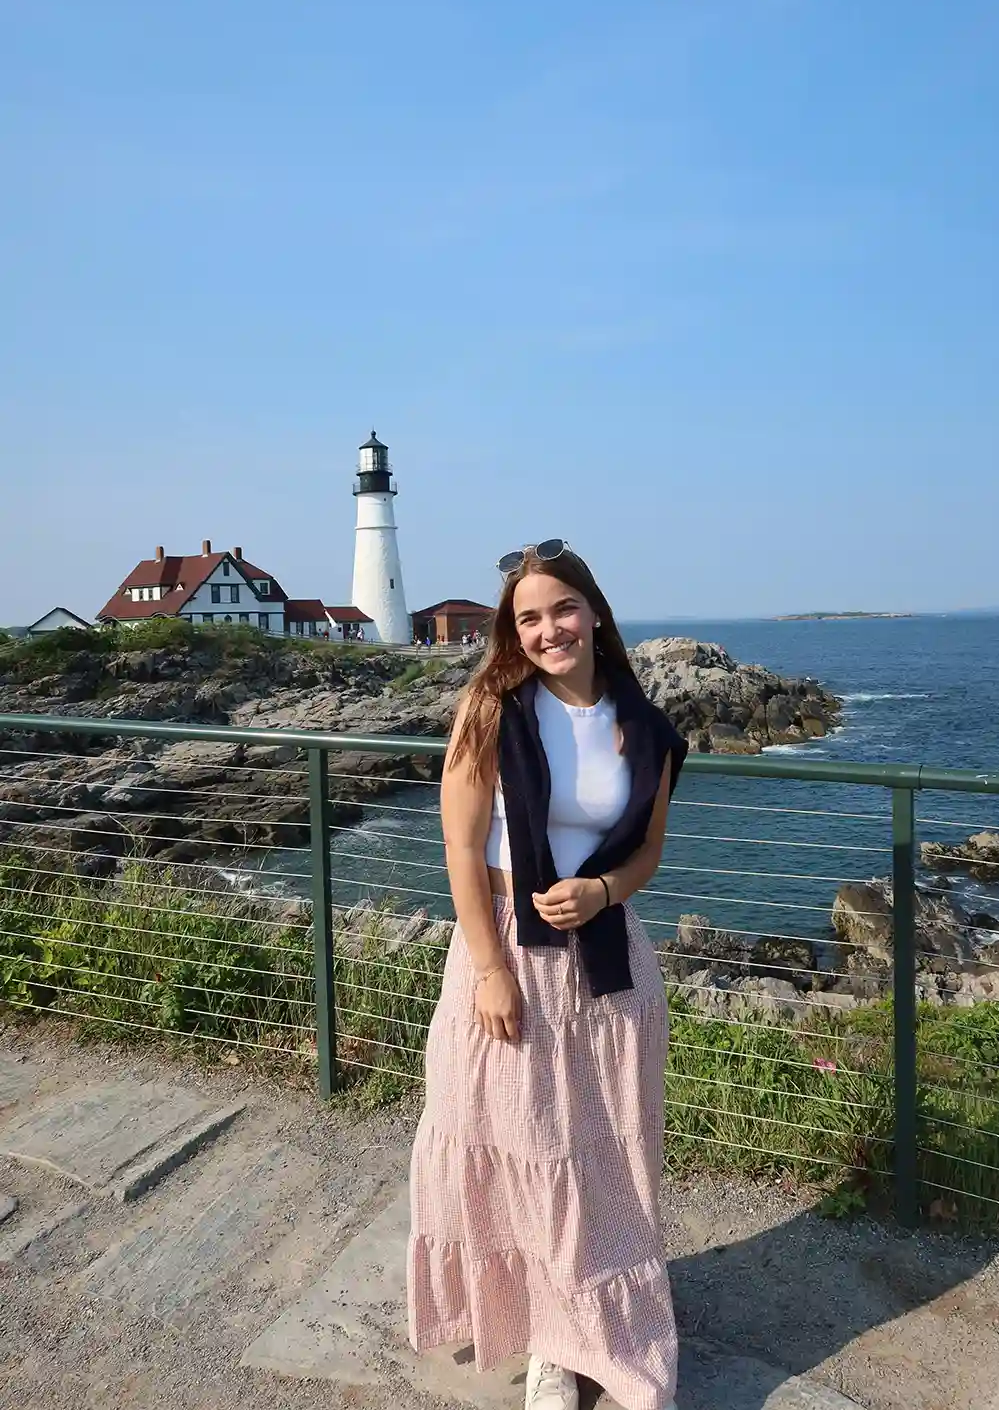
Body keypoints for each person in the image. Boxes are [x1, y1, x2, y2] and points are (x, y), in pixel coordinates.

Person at [407, 541, 687, 1410]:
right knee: (521, 1145)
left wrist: (602, 888)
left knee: (602, 1155)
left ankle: (595, 1323)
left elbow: (648, 850)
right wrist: (489, 967)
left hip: (607, 963)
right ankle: (544, 1342)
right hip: (507, 952)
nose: (547, 629)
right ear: (512, 630)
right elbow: (459, 844)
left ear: (594, 611)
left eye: (561, 609)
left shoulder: (647, 728)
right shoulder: (491, 708)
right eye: (528, 617)